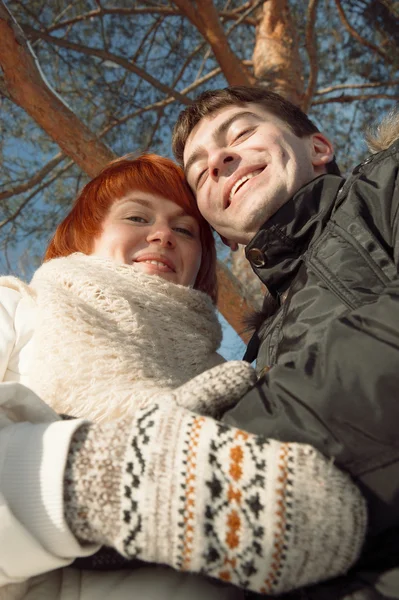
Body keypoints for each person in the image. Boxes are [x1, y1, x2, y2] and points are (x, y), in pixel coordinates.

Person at [0, 154, 366, 600]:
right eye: (137, 216)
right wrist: (101, 481)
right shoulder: (16, 309)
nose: (162, 235)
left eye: (185, 230)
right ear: (86, 233)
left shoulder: (229, 375)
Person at [171, 87, 399, 598]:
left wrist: (198, 468)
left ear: (318, 147)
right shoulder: (254, 359)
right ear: (223, 235)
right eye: (198, 169)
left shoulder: (389, 184)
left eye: (242, 133)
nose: (219, 160)